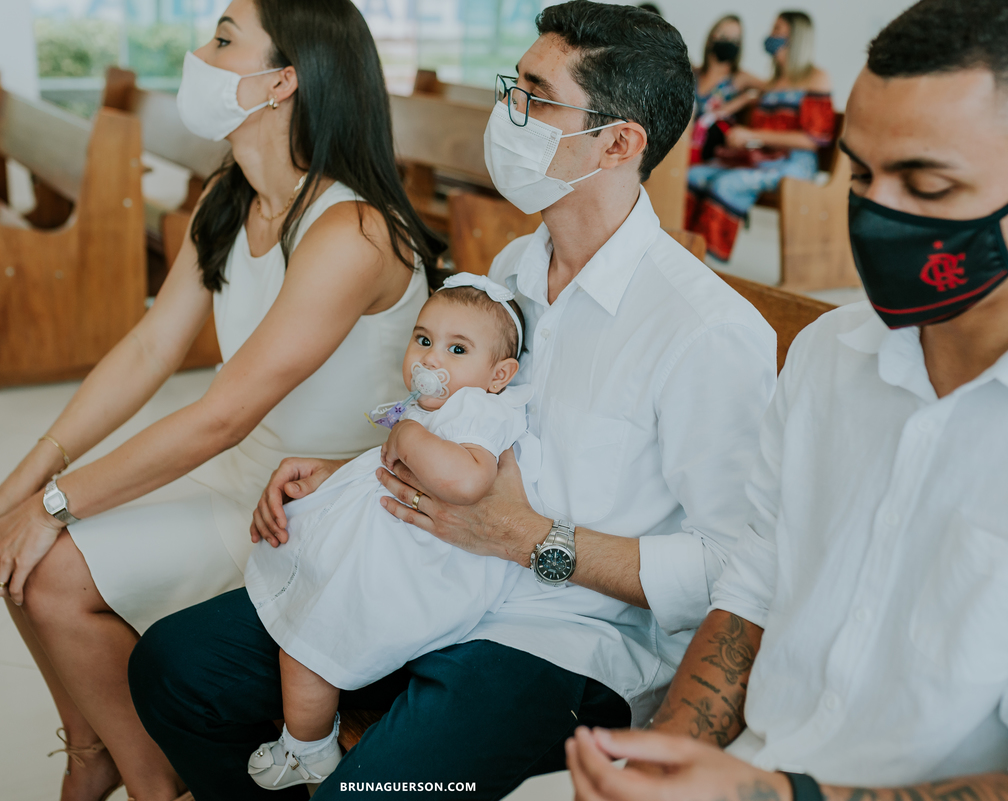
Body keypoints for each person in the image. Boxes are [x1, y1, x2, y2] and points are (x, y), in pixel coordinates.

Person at [127, 4, 777, 799]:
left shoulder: (702, 328)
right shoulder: (510, 268)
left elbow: (735, 565)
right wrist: (346, 468)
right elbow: (469, 424)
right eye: (514, 87)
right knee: (176, 667)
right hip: (436, 569)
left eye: (536, 97)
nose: (508, 115)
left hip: (566, 635)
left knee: (373, 791)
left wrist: (531, 538)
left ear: (618, 142)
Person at [0, 1, 442, 799]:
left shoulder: (350, 229)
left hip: (312, 502)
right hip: (239, 471)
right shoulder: (231, 195)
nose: (197, 52)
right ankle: (92, 749)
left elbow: (224, 412)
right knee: (22, 559)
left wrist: (50, 505)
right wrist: (25, 481)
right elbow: (149, 349)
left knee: (51, 569)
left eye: (221, 38)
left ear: (280, 81)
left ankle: (151, 782)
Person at [565, 1, 1008, 799]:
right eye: (862, 174)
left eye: (929, 184)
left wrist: (774, 795)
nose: (879, 215)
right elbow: (752, 589)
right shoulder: (831, 357)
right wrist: (661, 759)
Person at [245, 274, 530, 789]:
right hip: (387, 539)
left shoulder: (481, 410)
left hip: (419, 567)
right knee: (302, 630)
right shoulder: (442, 405)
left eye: (457, 348)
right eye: (423, 340)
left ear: (498, 375)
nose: (431, 359)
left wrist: (408, 433)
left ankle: (307, 749)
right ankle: (307, 742)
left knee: (310, 642)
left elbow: (466, 480)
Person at [686, 11, 834, 262]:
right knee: (694, 176)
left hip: (794, 165)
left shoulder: (816, 78)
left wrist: (752, 134)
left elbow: (814, 139)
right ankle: (682, 247)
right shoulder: (773, 82)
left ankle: (704, 260)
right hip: (762, 159)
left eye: (778, 30)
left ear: (795, 38)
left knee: (726, 184)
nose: (771, 35)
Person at [691, 16, 762, 164]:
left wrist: (743, 100)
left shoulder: (739, 78)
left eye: (735, 40)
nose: (729, 42)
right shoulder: (692, 73)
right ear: (711, 37)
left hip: (711, 153)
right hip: (683, 142)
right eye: (724, 35)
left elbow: (774, 88)